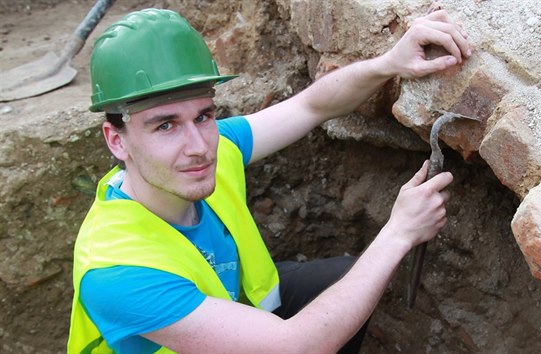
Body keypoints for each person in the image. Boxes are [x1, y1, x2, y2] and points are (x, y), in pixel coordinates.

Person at [68, 6, 470, 354]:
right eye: (165, 126)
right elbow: (299, 346)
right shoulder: (117, 270)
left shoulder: (211, 149)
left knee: (344, 279)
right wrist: (399, 233)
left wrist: (389, 63)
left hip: (230, 315)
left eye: (203, 116)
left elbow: (313, 105)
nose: (198, 147)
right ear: (116, 139)